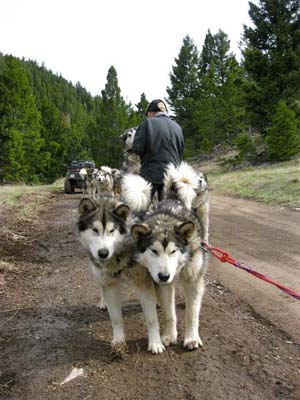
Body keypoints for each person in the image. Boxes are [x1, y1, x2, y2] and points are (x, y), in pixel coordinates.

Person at [133, 99, 184, 201]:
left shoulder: (147, 124)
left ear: (151, 113)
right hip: (173, 176)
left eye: (147, 115)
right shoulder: (178, 127)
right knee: (169, 212)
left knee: (140, 210)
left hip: (150, 174)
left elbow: (137, 148)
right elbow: (180, 150)